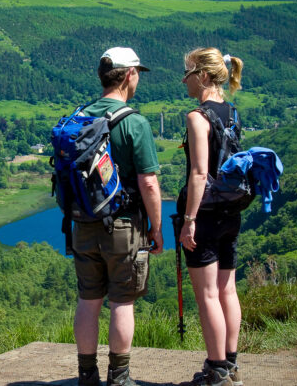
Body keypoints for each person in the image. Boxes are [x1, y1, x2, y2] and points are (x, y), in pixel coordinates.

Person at [73, 47, 163, 386]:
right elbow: (149, 182)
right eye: (137, 72)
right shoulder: (133, 122)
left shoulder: (80, 116)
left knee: (88, 299)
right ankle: (119, 377)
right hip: (123, 225)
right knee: (122, 301)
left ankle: (86, 375)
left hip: (82, 223)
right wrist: (156, 229)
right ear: (129, 75)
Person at [178, 47, 245, 386]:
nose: (184, 80)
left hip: (204, 215)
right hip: (231, 211)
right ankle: (230, 364)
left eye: (187, 73)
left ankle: (216, 370)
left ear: (202, 76)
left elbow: (199, 173)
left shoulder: (197, 117)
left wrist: (189, 221)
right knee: (227, 290)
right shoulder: (232, 112)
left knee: (207, 296)